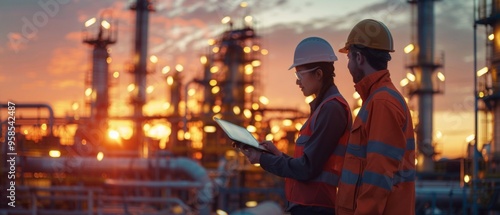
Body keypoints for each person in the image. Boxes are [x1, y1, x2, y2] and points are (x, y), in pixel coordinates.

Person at [237, 36, 352, 215]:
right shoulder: (322, 108)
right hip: (310, 206)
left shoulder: (332, 110)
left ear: (319, 74)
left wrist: (262, 159)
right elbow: (308, 164)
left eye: (300, 75)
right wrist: (277, 155)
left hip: (318, 207)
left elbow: (307, 169)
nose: (297, 81)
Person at [334, 19, 416, 215]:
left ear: (360, 58)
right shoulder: (375, 100)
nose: (348, 65)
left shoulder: (382, 103)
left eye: (349, 58)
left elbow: (378, 176)